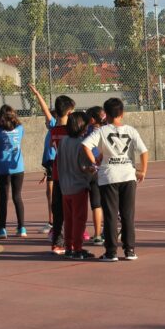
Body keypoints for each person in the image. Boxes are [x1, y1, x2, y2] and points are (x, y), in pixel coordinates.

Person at [82, 98, 148, 262]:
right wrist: (143, 171)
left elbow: (85, 145)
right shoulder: (131, 131)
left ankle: (111, 252)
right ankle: (130, 250)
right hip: (127, 175)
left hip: (109, 176)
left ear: (105, 114)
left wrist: (95, 160)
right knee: (127, 214)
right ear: (122, 113)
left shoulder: (101, 131)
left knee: (111, 215)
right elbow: (143, 151)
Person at [58, 111, 95, 259]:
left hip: (65, 187)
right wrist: (93, 170)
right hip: (78, 186)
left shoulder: (63, 141)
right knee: (79, 219)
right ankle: (78, 248)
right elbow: (83, 167)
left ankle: (68, 247)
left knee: (69, 219)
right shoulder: (81, 144)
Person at [0, 105, 26, 240]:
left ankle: (2, 229)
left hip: (3, 168)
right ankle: (21, 227)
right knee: (17, 196)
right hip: (18, 168)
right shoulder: (20, 129)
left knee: (3, 198)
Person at [48, 94, 76, 255]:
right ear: (70, 112)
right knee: (70, 210)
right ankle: (70, 242)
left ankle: (57, 243)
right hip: (70, 175)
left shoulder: (54, 131)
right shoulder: (71, 132)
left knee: (58, 210)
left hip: (58, 173)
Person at [28, 84, 55, 235]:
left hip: (54, 164)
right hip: (51, 165)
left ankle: (52, 222)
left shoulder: (54, 126)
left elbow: (45, 110)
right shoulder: (53, 130)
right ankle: (53, 221)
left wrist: (38, 94)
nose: (46, 121)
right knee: (50, 193)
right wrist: (46, 173)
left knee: (51, 193)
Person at [84, 106, 105, 246]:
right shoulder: (107, 130)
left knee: (93, 204)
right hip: (100, 170)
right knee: (98, 204)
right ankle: (98, 234)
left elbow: (85, 147)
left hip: (91, 169)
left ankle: (84, 233)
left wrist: (93, 162)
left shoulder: (88, 132)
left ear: (91, 119)